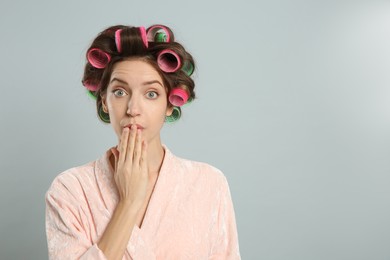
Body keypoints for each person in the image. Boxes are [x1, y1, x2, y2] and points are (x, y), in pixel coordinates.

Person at [45, 24, 240, 260]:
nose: (133, 109)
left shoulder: (209, 183)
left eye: (151, 94)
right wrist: (129, 202)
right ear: (104, 100)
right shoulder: (70, 189)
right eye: (119, 92)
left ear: (169, 104)